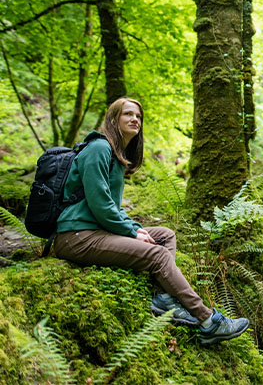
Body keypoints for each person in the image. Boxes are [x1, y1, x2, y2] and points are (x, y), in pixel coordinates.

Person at [54, 97, 249, 345]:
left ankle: (163, 298)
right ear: (114, 119)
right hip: (76, 236)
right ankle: (209, 321)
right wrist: (131, 232)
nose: (135, 119)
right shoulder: (98, 149)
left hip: (95, 230)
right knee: (156, 255)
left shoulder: (115, 153)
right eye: (128, 114)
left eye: (138, 116)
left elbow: (111, 207)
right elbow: (99, 203)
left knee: (165, 235)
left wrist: (134, 228)